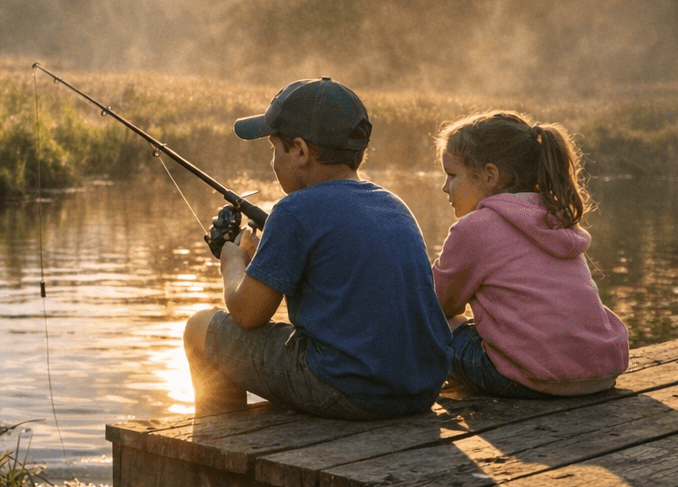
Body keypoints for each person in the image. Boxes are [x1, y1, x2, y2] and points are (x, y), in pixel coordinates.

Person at [184, 78, 451, 418]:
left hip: (348, 390)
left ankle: (220, 446)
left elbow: (248, 313)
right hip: (420, 389)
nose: (272, 161)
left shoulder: (293, 211)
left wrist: (232, 260)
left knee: (198, 328)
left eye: (273, 148)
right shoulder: (393, 205)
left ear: (300, 151)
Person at [433, 111, 629, 398]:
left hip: (529, 379)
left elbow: (437, 305)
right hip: (599, 374)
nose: (444, 187)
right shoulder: (555, 217)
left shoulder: (475, 228)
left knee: (435, 324)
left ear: (489, 175)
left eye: (452, 175)